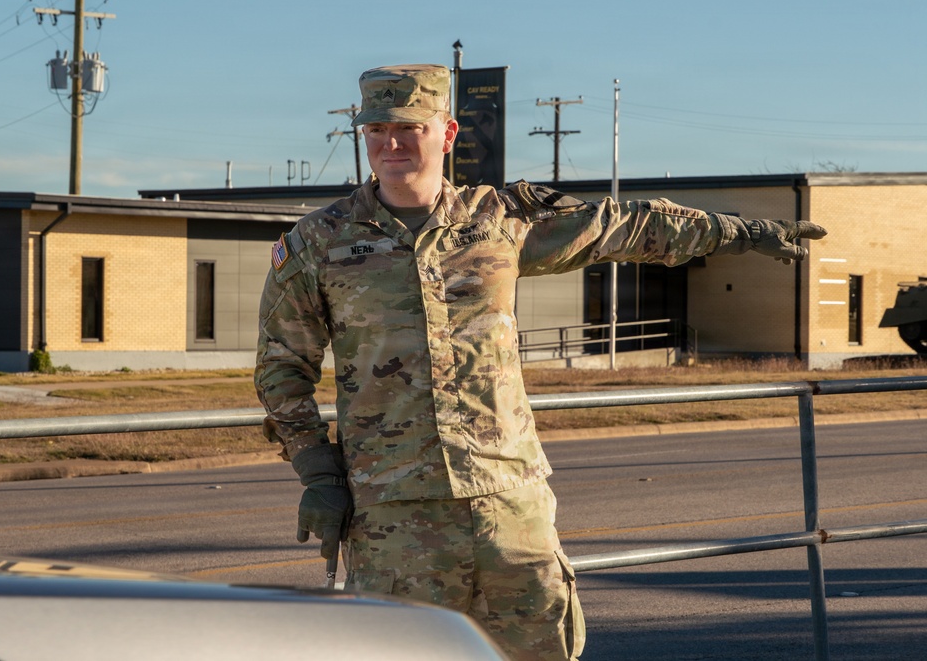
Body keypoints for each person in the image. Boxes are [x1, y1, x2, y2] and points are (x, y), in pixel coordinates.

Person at [254, 63, 826, 661]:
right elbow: (280, 366)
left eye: (409, 127)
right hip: (393, 515)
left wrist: (738, 231)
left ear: (447, 133)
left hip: (511, 502)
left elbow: (621, 226)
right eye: (375, 128)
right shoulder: (319, 243)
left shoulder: (499, 220)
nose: (390, 142)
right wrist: (318, 471)